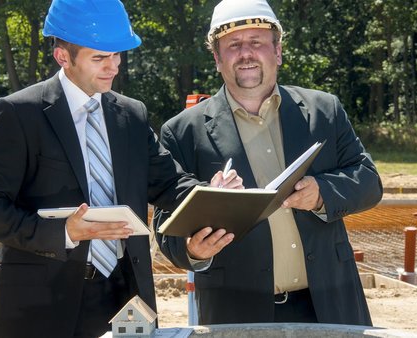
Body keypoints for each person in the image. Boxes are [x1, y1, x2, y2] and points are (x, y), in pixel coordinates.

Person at [0, 0, 241, 337]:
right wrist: (65, 232)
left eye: (117, 55)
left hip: (123, 299)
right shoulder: (18, 114)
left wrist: (212, 194)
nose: (113, 67)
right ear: (63, 57)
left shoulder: (131, 115)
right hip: (39, 306)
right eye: (99, 58)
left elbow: (168, 183)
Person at [154, 0, 383, 326]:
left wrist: (321, 193)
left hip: (329, 304)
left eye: (257, 42)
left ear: (277, 51)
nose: (246, 53)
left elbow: (369, 181)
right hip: (236, 314)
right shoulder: (183, 132)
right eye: (233, 45)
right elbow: (166, 226)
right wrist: (193, 250)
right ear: (218, 59)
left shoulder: (324, 111)